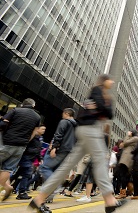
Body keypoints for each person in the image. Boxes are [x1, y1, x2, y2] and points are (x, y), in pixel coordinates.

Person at [29, 74, 126, 213]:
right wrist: (105, 105)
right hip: (91, 131)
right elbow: (107, 112)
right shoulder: (97, 91)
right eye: (111, 79)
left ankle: (38, 199)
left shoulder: (100, 94)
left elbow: (107, 113)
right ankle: (110, 200)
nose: (113, 81)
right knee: (99, 162)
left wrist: (103, 107)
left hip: (86, 131)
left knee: (66, 166)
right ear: (105, 81)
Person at [0, 98, 41, 201]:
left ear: (23, 104)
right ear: (33, 106)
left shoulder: (15, 110)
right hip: (21, 146)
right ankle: (6, 187)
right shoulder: (37, 117)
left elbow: (3, 124)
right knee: (7, 169)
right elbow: (34, 132)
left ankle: (7, 187)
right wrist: (26, 141)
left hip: (6, 142)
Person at [40, 108, 77, 203]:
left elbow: (58, 134)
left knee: (45, 168)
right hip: (68, 151)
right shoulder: (76, 126)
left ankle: (55, 185)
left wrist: (54, 148)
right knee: (55, 171)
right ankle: (49, 197)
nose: (62, 115)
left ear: (67, 113)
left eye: (63, 113)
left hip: (60, 149)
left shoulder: (64, 122)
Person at [14, 125, 46, 200]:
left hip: (31, 158)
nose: (44, 131)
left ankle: (12, 188)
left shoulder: (40, 138)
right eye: (42, 129)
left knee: (19, 174)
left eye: (44, 129)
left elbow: (38, 149)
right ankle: (21, 192)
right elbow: (27, 146)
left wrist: (39, 158)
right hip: (26, 157)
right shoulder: (32, 136)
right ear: (37, 129)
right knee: (26, 174)